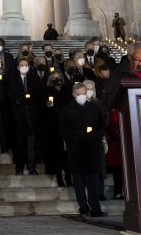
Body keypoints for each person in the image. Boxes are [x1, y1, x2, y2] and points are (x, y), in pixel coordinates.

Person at [60, 82, 107, 218]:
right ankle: (83, 207)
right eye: (78, 94)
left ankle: (95, 208)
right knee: (79, 181)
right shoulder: (67, 109)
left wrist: (94, 135)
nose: (81, 96)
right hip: (76, 150)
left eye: (83, 93)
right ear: (74, 94)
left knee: (93, 180)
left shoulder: (94, 108)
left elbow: (102, 127)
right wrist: (77, 135)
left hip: (92, 149)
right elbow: (63, 129)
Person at [8, 57, 41, 175]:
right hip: (19, 117)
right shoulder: (13, 80)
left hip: (31, 115)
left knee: (31, 145)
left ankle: (32, 167)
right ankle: (19, 168)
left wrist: (30, 102)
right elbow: (12, 97)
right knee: (19, 145)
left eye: (26, 64)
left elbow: (38, 96)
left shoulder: (34, 79)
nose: (24, 66)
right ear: (18, 67)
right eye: (21, 65)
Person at [43, 71, 71, 186]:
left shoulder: (67, 90)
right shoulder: (47, 91)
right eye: (54, 78)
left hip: (67, 126)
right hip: (52, 126)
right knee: (57, 153)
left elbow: (69, 105)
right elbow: (48, 107)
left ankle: (69, 178)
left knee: (67, 153)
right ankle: (59, 177)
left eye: (58, 77)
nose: (56, 79)